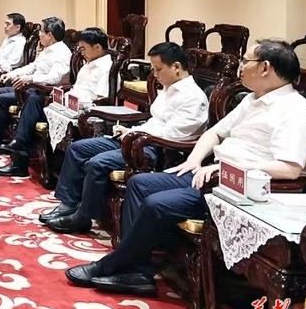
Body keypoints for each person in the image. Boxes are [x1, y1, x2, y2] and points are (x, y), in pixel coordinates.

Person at [66, 39, 306, 296]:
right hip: (214, 174)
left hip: (240, 188)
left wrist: (226, 169)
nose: (240, 67)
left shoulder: (294, 110)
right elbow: (214, 133)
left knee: (156, 204)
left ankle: (114, 264)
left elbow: (289, 169)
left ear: (265, 67)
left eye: (245, 61)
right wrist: (194, 160)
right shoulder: (252, 100)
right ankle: (137, 271)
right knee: (139, 183)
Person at [43, 41, 208, 233]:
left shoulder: (193, 97)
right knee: (77, 149)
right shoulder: (169, 87)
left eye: (158, 69)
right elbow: (155, 120)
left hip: (156, 148)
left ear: (176, 67)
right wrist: (131, 130)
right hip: (139, 137)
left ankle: (83, 216)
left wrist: (135, 134)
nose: (154, 75)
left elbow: (176, 134)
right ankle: (68, 204)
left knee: (98, 163)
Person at [0, 27, 114, 177]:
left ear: (97, 47)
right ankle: (20, 150)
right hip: (68, 105)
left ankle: (19, 152)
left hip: (83, 111)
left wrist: (73, 101)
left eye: (84, 48)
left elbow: (101, 99)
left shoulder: (106, 67)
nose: (81, 53)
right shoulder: (89, 62)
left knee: (33, 103)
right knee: (34, 101)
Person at [0, 17, 72, 157]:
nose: (39, 34)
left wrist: (30, 79)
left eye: (41, 31)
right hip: (31, 88)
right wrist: (12, 74)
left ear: (49, 35)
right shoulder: (48, 50)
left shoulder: (61, 53)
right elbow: (32, 67)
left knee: (2, 99)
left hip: (43, 93)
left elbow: (54, 78)